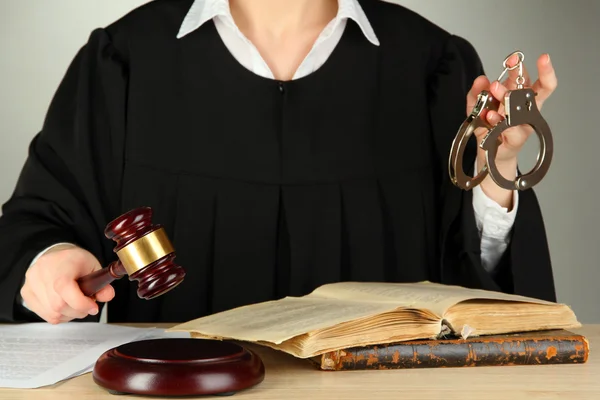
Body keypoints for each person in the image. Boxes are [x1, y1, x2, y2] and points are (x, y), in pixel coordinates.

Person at [0, 0, 558, 325]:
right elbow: (38, 222)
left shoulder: (433, 67)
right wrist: (48, 260)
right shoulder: (124, 61)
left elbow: (477, 284)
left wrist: (495, 174)